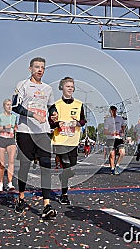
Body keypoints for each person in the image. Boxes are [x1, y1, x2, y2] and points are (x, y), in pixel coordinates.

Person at [12, 56, 57, 219]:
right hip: (25, 132)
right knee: (24, 166)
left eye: (43, 67)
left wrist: (53, 115)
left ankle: (46, 205)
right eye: (37, 67)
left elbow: (51, 106)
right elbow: (15, 106)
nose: (40, 70)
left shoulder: (48, 88)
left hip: (43, 132)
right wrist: (32, 115)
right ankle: (21, 198)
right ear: (30, 69)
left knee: (46, 165)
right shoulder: (22, 85)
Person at [49, 77, 86, 205]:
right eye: (67, 86)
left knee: (71, 168)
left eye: (72, 86)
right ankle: (64, 194)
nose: (70, 88)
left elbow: (83, 121)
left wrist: (77, 122)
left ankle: (63, 177)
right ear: (62, 88)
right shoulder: (56, 105)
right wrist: (57, 123)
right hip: (60, 140)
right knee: (66, 165)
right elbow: (50, 123)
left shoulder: (79, 104)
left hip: (73, 141)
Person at [0, 99, 18, 192]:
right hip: (1, 139)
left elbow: (15, 128)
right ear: (4, 106)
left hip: (11, 140)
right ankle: (1, 182)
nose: (9, 106)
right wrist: (3, 127)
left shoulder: (14, 117)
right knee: (2, 164)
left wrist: (16, 128)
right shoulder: (0, 116)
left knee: (11, 162)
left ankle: (10, 183)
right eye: (7, 105)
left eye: (11, 105)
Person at [103, 105, 126, 175]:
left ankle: (117, 165)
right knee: (112, 155)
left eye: (114, 110)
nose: (113, 112)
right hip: (110, 139)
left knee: (122, 153)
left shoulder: (120, 119)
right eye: (112, 110)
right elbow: (105, 131)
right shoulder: (107, 120)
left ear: (116, 111)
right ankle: (112, 169)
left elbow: (123, 126)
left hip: (119, 139)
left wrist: (122, 131)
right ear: (110, 112)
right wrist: (111, 133)